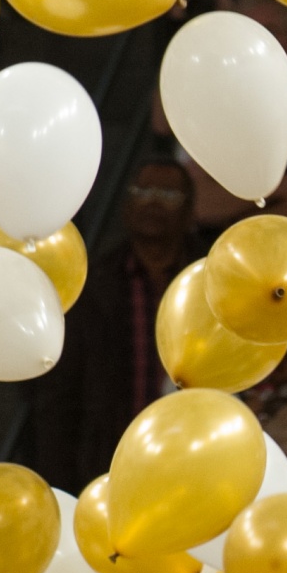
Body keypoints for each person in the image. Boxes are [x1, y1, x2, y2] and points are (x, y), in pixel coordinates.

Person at [24, 156, 203, 497]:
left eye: (167, 194)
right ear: (125, 204)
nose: (151, 201)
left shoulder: (208, 281)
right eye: (141, 190)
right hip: (108, 465)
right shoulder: (90, 284)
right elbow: (59, 396)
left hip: (193, 460)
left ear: (190, 210)